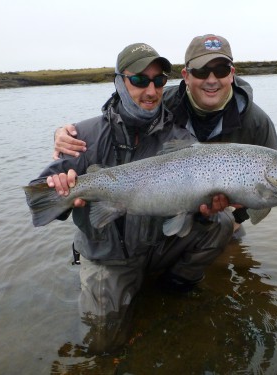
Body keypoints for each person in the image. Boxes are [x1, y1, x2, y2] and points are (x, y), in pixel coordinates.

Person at [27, 42, 236, 354]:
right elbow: (37, 194)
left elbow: (198, 207)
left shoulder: (179, 139)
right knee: (103, 345)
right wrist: (61, 189)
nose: (150, 90)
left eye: (158, 81)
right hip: (108, 256)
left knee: (222, 221)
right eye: (139, 80)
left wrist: (206, 209)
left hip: (154, 246)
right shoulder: (83, 136)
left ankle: (172, 289)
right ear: (119, 82)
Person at [54, 34, 277, 227]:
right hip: (161, 201)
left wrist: (237, 219)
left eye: (220, 70)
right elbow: (119, 113)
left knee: (225, 235)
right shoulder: (161, 102)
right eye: (201, 71)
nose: (211, 80)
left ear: (232, 73)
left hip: (217, 211)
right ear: (186, 75)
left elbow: (265, 193)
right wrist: (65, 133)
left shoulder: (258, 123)